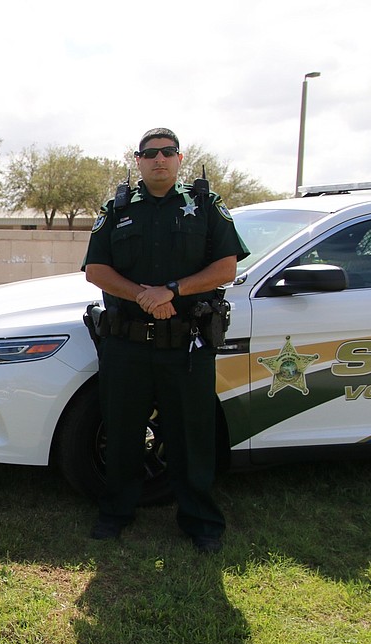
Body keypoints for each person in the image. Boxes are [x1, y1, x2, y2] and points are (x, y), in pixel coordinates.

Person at [82, 128, 249, 553]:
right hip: (127, 344)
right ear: (137, 161)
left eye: (167, 153)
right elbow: (97, 271)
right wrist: (144, 295)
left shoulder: (205, 206)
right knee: (121, 431)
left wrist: (170, 291)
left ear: (179, 159)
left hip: (186, 346)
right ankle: (116, 512)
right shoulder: (116, 210)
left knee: (192, 436)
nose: (159, 159)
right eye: (150, 153)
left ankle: (201, 522)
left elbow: (225, 268)